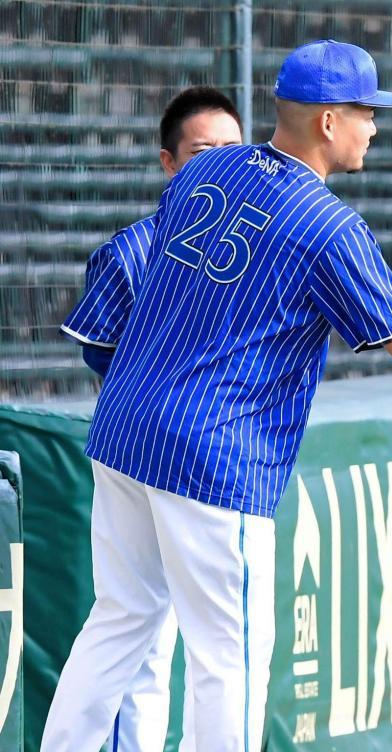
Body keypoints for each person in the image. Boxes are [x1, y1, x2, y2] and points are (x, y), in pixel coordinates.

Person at [41, 40, 392, 752]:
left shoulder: (204, 167)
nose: (374, 127)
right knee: (229, 658)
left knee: (119, 621)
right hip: (213, 452)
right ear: (329, 121)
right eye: (367, 112)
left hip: (123, 425)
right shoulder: (327, 225)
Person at [57, 86, 243, 752]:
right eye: (201, 151)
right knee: (147, 630)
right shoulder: (132, 250)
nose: (218, 163)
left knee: (163, 629)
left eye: (231, 149)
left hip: (209, 458)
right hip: (153, 457)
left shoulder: (264, 242)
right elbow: (102, 354)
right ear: (169, 162)